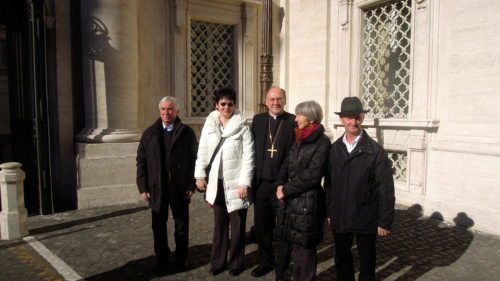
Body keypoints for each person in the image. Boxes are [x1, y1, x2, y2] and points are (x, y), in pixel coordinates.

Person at [325, 96, 395, 281]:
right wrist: (329, 210)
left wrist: (384, 222)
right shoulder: (335, 149)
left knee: (367, 260)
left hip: (366, 216)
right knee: (342, 258)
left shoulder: (375, 151)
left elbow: (385, 189)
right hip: (340, 215)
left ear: (362, 118)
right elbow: (330, 184)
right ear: (342, 120)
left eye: (356, 117)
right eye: (348, 117)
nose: (353, 121)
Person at [194, 87, 254, 276]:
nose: (226, 107)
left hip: (237, 184)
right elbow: (202, 151)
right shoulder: (210, 125)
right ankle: (218, 261)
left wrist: (245, 183)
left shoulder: (243, 125)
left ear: (234, 105)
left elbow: (249, 157)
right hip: (216, 183)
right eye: (223, 104)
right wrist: (199, 175)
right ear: (216, 105)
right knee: (219, 225)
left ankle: (236, 262)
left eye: (230, 104)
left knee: (237, 226)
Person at [136, 96, 198, 273]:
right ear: (159, 111)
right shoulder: (149, 133)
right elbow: (141, 161)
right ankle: (162, 257)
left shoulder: (186, 133)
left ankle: (181, 257)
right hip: (157, 188)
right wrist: (143, 187)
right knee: (158, 225)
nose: (166, 112)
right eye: (163, 109)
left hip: (179, 188)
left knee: (181, 224)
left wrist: (192, 184)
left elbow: (195, 159)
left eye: (170, 109)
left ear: (177, 111)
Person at [275, 100, 330, 281]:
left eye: (299, 115)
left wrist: (287, 189)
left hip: (308, 201)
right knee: (294, 243)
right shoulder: (299, 137)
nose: (296, 118)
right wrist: (279, 184)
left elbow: (313, 174)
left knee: (305, 246)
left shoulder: (322, 142)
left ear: (311, 118)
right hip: (292, 200)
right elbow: (286, 163)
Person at [251, 87, 294, 280]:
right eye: (272, 99)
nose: (275, 103)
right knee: (262, 226)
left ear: (284, 101)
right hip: (261, 184)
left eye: (279, 99)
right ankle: (265, 261)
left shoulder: (292, 121)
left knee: (284, 227)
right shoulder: (258, 121)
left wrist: (285, 184)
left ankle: (282, 267)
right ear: (266, 101)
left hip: (282, 186)